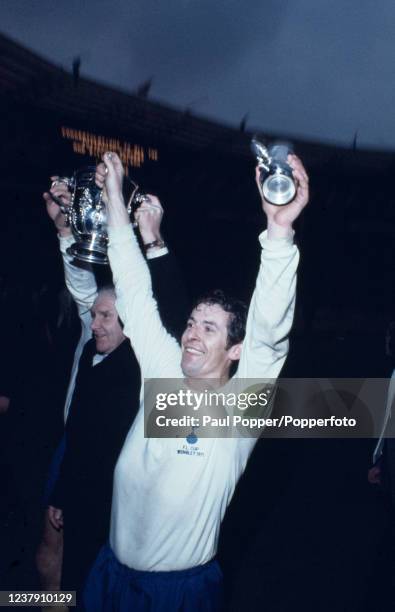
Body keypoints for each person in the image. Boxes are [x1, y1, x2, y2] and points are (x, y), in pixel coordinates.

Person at [80, 151, 309, 611]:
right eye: (191, 321)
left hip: (177, 594)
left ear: (235, 351)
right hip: (109, 576)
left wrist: (279, 234)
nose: (191, 332)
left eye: (209, 327)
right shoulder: (163, 370)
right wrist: (112, 200)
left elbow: (268, 335)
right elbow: (134, 289)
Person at [35, 177, 188, 604]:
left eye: (107, 317)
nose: (96, 322)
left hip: (111, 478)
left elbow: (166, 309)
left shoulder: (141, 357)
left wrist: (152, 242)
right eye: (96, 316)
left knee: (93, 571)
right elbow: (84, 290)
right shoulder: (92, 340)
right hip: (73, 456)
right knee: (49, 551)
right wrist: (67, 230)